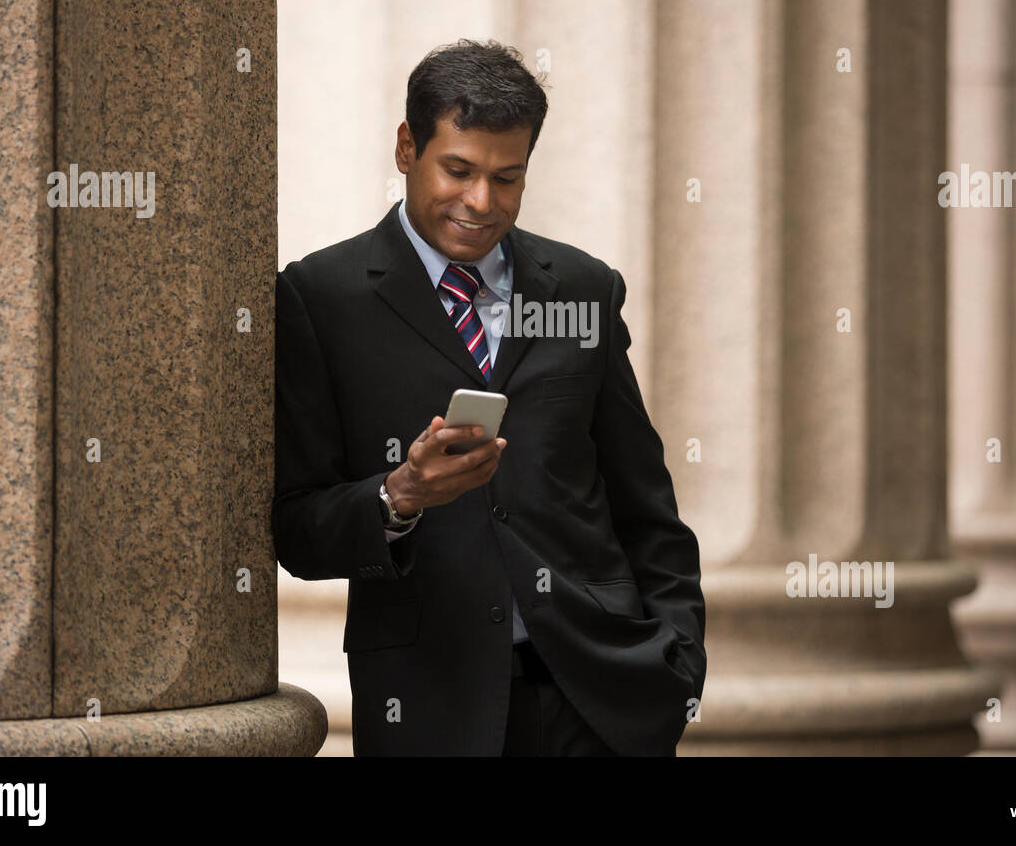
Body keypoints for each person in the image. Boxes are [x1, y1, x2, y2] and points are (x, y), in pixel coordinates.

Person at [273, 38, 706, 756]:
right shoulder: (320, 298)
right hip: (430, 698)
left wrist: (677, 661)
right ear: (407, 148)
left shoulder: (583, 288)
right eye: (459, 171)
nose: (481, 202)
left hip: (599, 696)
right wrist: (399, 494)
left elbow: (645, 507)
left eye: (508, 178)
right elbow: (296, 527)